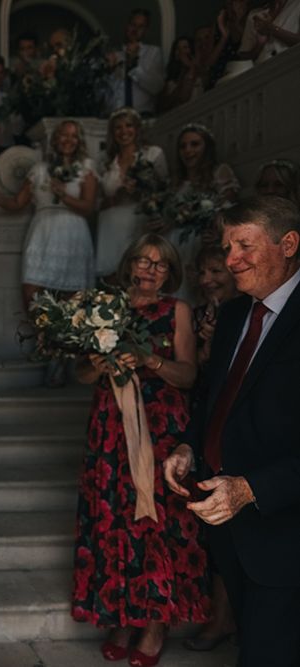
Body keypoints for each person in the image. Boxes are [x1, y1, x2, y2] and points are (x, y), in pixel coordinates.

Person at [164, 196, 300, 665]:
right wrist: (188, 444)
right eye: (227, 246)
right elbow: (211, 397)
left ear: (288, 244)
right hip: (232, 534)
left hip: (286, 530)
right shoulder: (233, 314)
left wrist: (250, 488)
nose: (230, 260)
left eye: (244, 245)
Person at [73, 234, 209, 666]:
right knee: (113, 518)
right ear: (129, 264)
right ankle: (122, 614)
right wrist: (96, 366)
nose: (150, 269)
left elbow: (188, 375)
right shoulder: (104, 308)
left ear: (171, 272)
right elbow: (80, 376)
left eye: (160, 264)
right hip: (110, 427)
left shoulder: (177, 311)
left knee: (155, 523)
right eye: (142, 261)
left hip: (161, 427)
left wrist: (148, 360)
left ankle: (154, 623)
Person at [182, 244, 239, 652]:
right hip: (201, 418)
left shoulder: (242, 315)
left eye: (216, 270)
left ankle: (226, 618)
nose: (208, 280)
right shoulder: (201, 314)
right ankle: (220, 615)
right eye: (203, 272)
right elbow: (201, 375)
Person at [0, 119, 96, 311]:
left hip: (73, 232)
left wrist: (64, 195)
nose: (68, 140)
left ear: (79, 140)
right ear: (55, 138)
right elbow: (18, 203)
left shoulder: (86, 168)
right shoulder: (40, 169)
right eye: (64, 135)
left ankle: (68, 338)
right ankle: (42, 338)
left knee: (74, 295)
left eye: (73, 135)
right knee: (32, 289)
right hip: (42, 231)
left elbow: (88, 207)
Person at [164, 123, 239, 303]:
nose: (188, 150)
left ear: (207, 147)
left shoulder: (219, 172)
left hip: (202, 242)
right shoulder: (175, 181)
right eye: (183, 146)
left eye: (195, 144)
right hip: (176, 242)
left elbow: (231, 209)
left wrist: (215, 229)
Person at [96, 107, 168, 279]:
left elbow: (165, 189)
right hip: (110, 224)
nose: (124, 131)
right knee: (112, 276)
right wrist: (115, 197)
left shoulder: (152, 154)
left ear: (137, 128)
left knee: (138, 271)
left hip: (139, 221)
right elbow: (96, 202)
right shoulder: (105, 161)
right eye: (118, 127)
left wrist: (142, 193)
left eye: (128, 126)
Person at [106, 9, 165, 116]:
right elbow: (106, 93)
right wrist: (109, 71)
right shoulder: (114, 56)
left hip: (143, 115)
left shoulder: (153, 52)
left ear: (146, 30)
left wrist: (133, 64)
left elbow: (157, 87)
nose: (135, 29)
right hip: (116, 116)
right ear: (127, 26)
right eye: (133, 24)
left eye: (141, 26)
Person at [159, 37, 203, 112]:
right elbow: (165, 105)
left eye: (185, 47)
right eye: (177, 49)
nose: (181, 52)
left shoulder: (200, 76)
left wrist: (192, 67)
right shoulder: (170, 81)